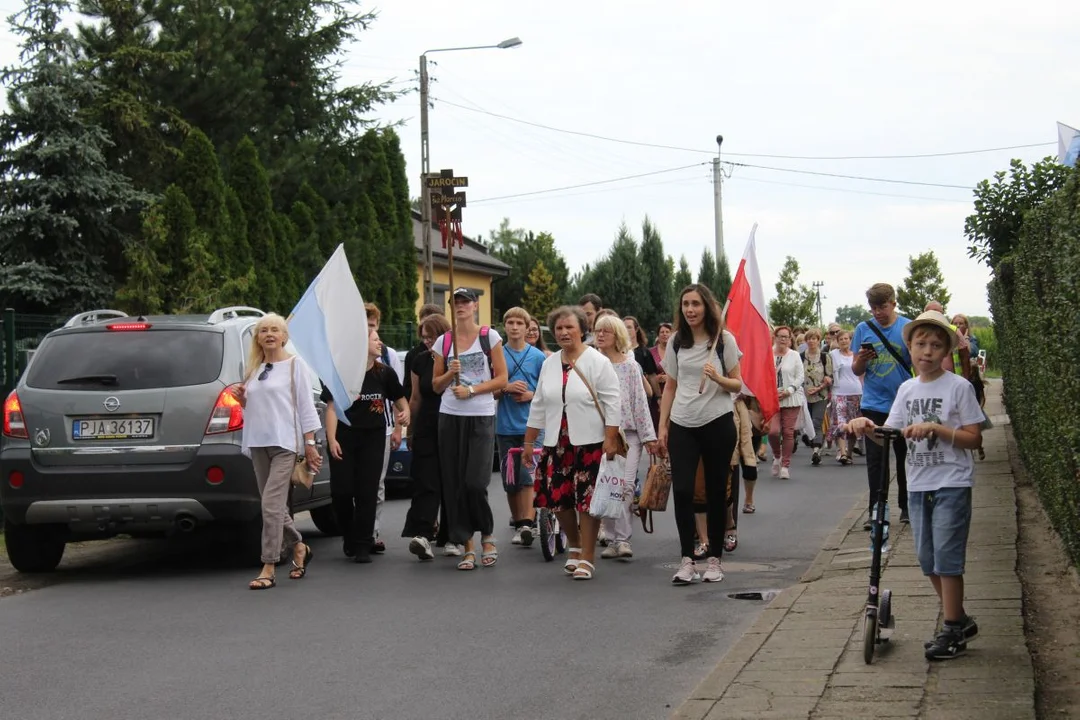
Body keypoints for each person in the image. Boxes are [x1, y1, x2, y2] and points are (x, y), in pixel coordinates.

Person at [844, 310, 984, 661]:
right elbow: (888, 436)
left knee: (947, 558)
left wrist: (937, 430)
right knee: (927, 559)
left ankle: (952, 627)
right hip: (919, 485)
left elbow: (973, 438)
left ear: (946, 350)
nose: (927, 351)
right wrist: (866, 427)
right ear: (909, 347)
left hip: (951, 481)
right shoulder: (906, 389)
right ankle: (960, 618)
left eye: (936, 345)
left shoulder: (959, 387)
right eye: (921, 344)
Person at [523, 305, 621, 581]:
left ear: (582, 330)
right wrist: (529, 442)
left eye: (569, 327)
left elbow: (613, 401)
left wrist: (611, 439)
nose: (564, 332)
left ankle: (587, 557)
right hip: (558, 441)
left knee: (588, 501)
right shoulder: (549, 363)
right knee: (559, 498)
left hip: (591, 441)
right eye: (559, 328)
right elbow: (539, 404)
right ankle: (575, 545)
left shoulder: (597, 361)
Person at [656, 284, 742, 585]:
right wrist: (663, 426)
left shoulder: (724, 341)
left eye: (695, 304)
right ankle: (687, 559)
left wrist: (717, 377)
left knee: (718, 493)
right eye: (685, 305)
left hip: (717, 422)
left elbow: (738, 384)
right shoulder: (677, 342)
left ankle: (715, 559)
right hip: (682, 423)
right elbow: (670, 386)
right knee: (682, 491)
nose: (690, 310)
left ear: (706, 306)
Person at [233, 313, 321, 590]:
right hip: (258, 441)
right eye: (263, 331)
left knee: (271, 505)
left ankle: (268, 565)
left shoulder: (296, 366)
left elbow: (306, 406)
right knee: (274, 506)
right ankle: (299, 546)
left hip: (285, 443)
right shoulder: (254, 369)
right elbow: (258, 408)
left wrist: (310, 443)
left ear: (284, 337)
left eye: (275, 330)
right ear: (257, 338)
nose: (269, 334)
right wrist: (243, 400)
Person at [432, 288, 508, 570]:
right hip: (450, 415)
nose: (461, 306)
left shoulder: (490, 337)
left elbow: (501, 379)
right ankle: (468, 544)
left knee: (475, 482)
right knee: (454, 483)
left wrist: (473, 389)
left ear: (475, 305)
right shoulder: (444, 341)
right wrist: (450, 374)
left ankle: (487, 535)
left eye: (466, 301)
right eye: (456, 302)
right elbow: (435, 386)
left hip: (481, 414)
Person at [324, 329, 409, 563]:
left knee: (367, 492)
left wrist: (406, 414)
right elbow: (331, 408)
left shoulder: (385, 374)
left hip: (373, 438)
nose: (380, 342)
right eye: (375, 339)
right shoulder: (340, 373)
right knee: (341, 492)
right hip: (344, 436)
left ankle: (362, 544)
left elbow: (401, 402)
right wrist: (331, 439)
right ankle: (349, 534)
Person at [593, 314, 657, 560]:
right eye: (598, 331)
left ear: (617, 335)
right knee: (607, 485)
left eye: (606, 331)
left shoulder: (630, 366)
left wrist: (648, 437)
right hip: (599, 434)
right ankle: (610, 538)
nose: (600, 335)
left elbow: (640, 403)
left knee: (626, 485)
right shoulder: (591, 364)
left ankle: (623, 539)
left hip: (628, 435)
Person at [852, 283, 912, 526]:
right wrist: (862, 360)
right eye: (873, 308)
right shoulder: (863, 329)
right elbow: (856, 369)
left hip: (903, 402)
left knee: (905, 457)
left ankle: (907, 507)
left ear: (893, 303)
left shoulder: (907, 327)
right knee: (876, 460)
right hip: (874, 403)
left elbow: (916, 361)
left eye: (882, 307)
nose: (877, 313)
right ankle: (876, 511)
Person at [494, 307, 546, 546]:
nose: (514, 327)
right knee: (510, 478)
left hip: (532, 426)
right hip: (505, 426)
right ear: (505, 326)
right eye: (510, 322)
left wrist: (530, 395)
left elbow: (547, 392)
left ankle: (527, 522)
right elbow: (489, 391)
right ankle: (518, 521)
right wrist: (506, 388)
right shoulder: (497, 354)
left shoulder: (538, 357)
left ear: (528, 328)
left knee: (527, 475)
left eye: (519, 323)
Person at [401, 313, 451, 560]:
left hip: (453, 424)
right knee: (425, 480)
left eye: (432, 337)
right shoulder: (419, 361)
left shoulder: (456, 358)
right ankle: (422, 533)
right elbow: (415, 398)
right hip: (426, 426)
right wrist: (409, 430)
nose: (428, 342)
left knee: (452, 480)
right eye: (424, 338)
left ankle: (452, 534)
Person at [365, 302, 404, 554]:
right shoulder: (346, 356)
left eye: (371, 325)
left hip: (384, 427)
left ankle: (372, 531)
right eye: (363, 325)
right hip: (355, 428)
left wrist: (399, 428)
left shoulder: (387, 355)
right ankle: (358, 528)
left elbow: (398, 394)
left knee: (377, 482)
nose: (368, 330)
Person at [769, 326, 804, 479]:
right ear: (775, 337)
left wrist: (789, 390)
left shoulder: (795, 355)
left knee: (788, 432)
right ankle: (777, 456)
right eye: (780, 336)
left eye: (786, 337)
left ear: (790, 340)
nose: (783, 339)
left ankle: (785, 465)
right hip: (772, 398)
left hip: (791, 398)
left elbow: (800, 376)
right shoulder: (768, 354)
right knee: (773, 431)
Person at [828, 329, 862, 464]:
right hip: (839, 392)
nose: (843, 341)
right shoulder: (833, 355)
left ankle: (849, 453)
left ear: (850, 340)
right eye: (841, 339)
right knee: (841, 423)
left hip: (856, 391)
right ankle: (842, 452)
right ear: (837, 341)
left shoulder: (856, 355)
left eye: (846, 339)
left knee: (853, 425)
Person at [801, 328, 833, 466]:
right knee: (804, 422)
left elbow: (829, 377)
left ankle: (816, 451)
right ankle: (808, 437)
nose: (811, 341)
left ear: (819, 340)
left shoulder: (825, 357)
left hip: (820, 394)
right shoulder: (801, 356)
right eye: (809, 338)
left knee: (817, 421)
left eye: (814, 338)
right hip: (804, 395)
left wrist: (819, 387)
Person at [402, 303, 444, 401]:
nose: (427, 327)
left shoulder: (452, 352)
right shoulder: (414, 355)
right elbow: (409, 389)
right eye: (425, 323)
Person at [624, 315, 661, 399]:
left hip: (642, 395)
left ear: (636, 329)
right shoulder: (618, 352)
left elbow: (652, 376)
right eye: (623, 327)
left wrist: (659, 397)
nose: (626, 330)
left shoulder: (644, 352)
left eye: (629, 327)